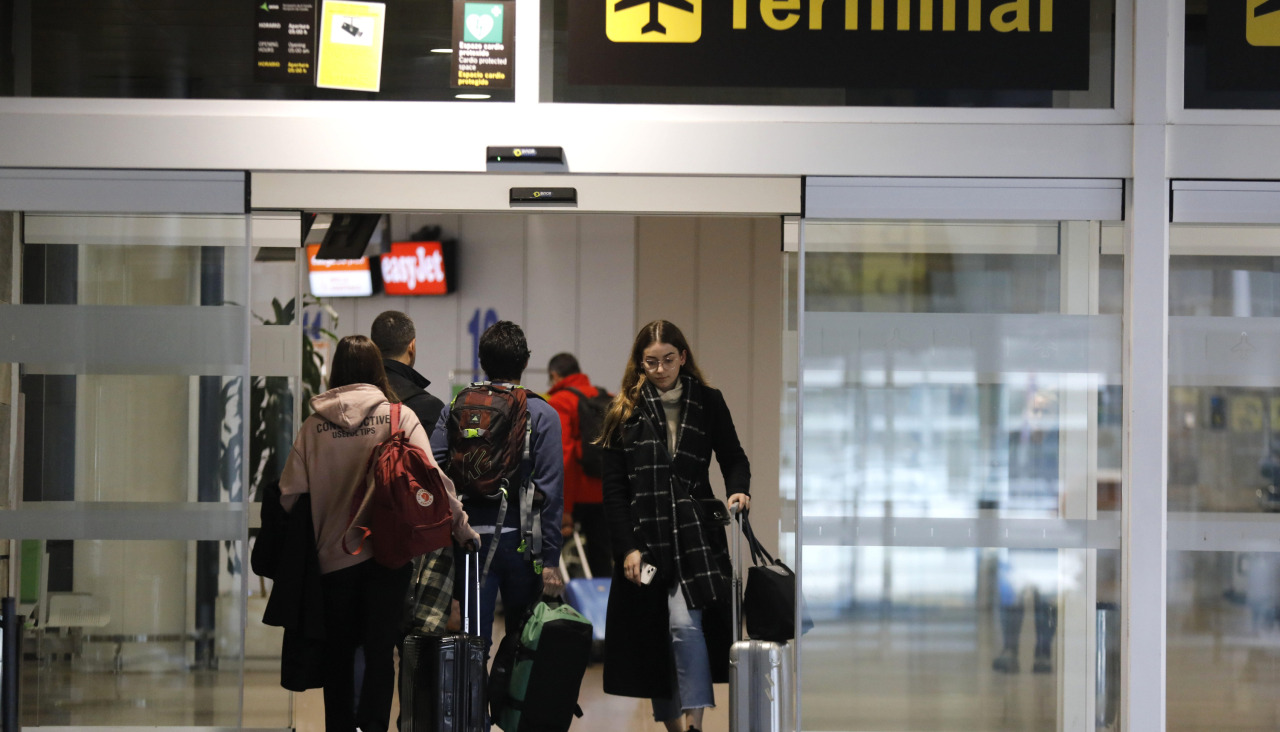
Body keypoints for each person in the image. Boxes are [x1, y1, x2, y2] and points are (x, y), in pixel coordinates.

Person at [279, 335, 478, 732]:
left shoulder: (313, 426)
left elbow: (288, 496)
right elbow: (434, 481)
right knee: (379, 653)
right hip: (387, 558)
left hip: (332, 561)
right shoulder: (397, 417)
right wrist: (461, 526)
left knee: (338, 654)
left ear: (337, 371)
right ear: (375, 370)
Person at [598, 320, 751, 732]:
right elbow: (613, 490)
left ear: (683, 357)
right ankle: (674, 727)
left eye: (668, 359)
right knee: (656, 635)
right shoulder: (622, 410)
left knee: (685, 626)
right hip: (644, 539)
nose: (661, 368)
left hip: (696, 536)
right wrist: (626, 548)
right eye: (651, 362)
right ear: (640, 363)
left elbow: (734, 457)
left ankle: (694, 724)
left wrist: (739, 491)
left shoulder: (708, 402)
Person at [431, 320, 565, 656]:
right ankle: (513, 708)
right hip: (523, 543)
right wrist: (550, 559)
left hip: (470, 541)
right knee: (525, 642)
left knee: (474, 642)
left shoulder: (456, 408)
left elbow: (432, 467)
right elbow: (550, 491)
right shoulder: (543, 414)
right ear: (524, 362)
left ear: (482, 361)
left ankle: (475, 708)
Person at [370, 310, 455, 633]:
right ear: (412, 347)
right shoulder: (430, 408)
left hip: (360, 541)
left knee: (368, 641)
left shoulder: (354, 405)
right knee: (415, 642)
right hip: (415, 545)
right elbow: (440, 480)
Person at [547, 352, 613, 578]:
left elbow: (561, 456)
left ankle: (555, 610)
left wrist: (563, 507)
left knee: (552, 562)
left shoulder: (560, 401)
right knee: (602, 562)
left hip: (575, 496)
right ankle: (602, 612)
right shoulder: (606, 397)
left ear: (554, 376)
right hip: (606, 493)